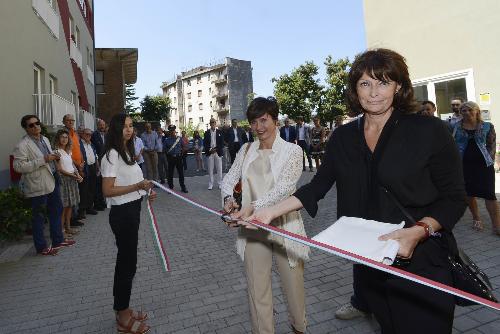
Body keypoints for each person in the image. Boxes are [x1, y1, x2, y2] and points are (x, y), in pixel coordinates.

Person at [247, 49, 466, 334]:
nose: (374, 92)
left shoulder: (428, 130)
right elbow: (316, 187)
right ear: (355, 89)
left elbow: (454, 197)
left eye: (383, 82)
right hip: (371, 263)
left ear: (398, 86)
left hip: (421, 259)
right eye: (365, 84)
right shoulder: (343, 137)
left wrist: (421, 231)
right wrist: (268, 213)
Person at [222, 97, 309, 334]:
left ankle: (299, 328)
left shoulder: (293, 151)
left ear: (275, 120)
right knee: (257, 289)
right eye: (254, 122)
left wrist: (253, 208)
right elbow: (229, 179)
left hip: (285, 226)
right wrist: (229, 200)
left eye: (264, 120)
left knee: (294, 289)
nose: (259, 127)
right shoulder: (246, 149)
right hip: (252, 230)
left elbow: (285, 189)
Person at [101, 113, 156, 334]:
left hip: (132, 210)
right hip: (122, 214)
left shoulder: (126, 152)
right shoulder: (112, 155)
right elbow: (107, 190)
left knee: (129, 263)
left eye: (131, 126)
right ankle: (122, 316)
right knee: (126, 264)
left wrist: (145, 191)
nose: (129, 130)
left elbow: (133, 182)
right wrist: (137, 187)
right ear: (115, 129)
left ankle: (123, 308)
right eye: (124, 126)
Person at [13, 115, 74, 256]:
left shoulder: (45, 139)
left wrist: (54, 155)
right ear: (25, 128)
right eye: (31, 125)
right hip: (38, 185)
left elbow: (49, 156)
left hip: (53, 180)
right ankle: (41, 247)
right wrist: (43, 159)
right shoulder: (22, 145)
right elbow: (18, 166)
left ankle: (58, 241)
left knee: (56, 212)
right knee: (39, 218)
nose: (35, 126)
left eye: (37, 123)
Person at [452, 101, 500, 235]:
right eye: (464, 111)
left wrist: (491, 160)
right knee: (469, 193)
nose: (467, 113)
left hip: (484, 165)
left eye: (470, 110)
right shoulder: (455, 126)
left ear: (477, 111)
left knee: (490, 195)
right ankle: (476, 218)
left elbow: (491, 144)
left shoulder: (487, 126)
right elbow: (452, 145)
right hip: (463, 165)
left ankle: (497, 225)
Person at [53, 129, 84, 238]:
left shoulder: (68, 151)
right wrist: (73, 176)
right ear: (58, 138)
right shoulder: (56, 152)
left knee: (70, 205)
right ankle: (61, 231)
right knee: (64, 206)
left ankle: (68, 228)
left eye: (66, 137)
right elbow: (59, 169)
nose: (64, 139)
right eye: (62, 137)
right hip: (64, 181)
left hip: (72, 179)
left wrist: (77, 174)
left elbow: (72, 165)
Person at [78, 128, 98, 220]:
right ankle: (82, 210)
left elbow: (95, 156)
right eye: (86, 134)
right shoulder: (79, 144)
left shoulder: (91, 144)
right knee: (83, 189)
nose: (88, 136)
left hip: (92, 167)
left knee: (92, 188)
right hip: (85, 168)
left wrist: (97, 166)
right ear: (82, 134)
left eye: (90, 135)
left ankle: (90, 207)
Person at [163, 125, 188, 193]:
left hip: (178, 157)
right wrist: (168, 155)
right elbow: (164, 149)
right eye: (171, 130)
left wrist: (182, 153)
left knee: (181, 173)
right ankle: (170, 187)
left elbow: (184, 147)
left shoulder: (179, 139)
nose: (172, 132)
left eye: (173, 130)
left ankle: (183, 187)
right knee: (170, 173)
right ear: (169, 131)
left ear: (175, 131)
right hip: (171, 158)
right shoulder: (166, 140)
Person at [204, 119, 224, 190]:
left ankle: (220, 183)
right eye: (211, 122)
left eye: (214, 122)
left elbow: (222, 143)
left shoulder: (220, 132)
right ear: (210, 124)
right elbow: (205, 144)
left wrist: (216, 149)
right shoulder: (206, 133)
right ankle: (211, 184)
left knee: (219, 169)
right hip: (210, 153)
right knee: (210, 169)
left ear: (216, 123)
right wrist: (210, 149)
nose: (213, 124)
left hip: (217, 152)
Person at [91, 118, 107, 210]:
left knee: (103, 183)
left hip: (106, 162)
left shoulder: (107, 135)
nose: (102, 126)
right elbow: (93, 149)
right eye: (100, 125)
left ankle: (102, 201)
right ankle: (97, 204)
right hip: (98, 162)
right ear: (97, 126)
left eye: (103, 125)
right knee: (97, 184)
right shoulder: (94, 135)